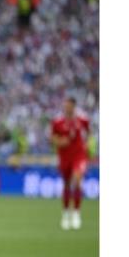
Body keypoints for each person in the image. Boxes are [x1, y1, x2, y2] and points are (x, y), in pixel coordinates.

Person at [50, 96, 90, 230]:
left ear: (73, 106)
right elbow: (53, 138)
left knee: (77, 181)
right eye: (65, 105)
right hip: (64, 156)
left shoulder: (82, 120)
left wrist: (88, 148)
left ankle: (77, 213)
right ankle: (66, 213)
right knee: (66, 184)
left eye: (68, 105)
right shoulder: (57, 122)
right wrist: (61, 142)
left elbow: (88, 134)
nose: (66, 107)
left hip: (79, 155)